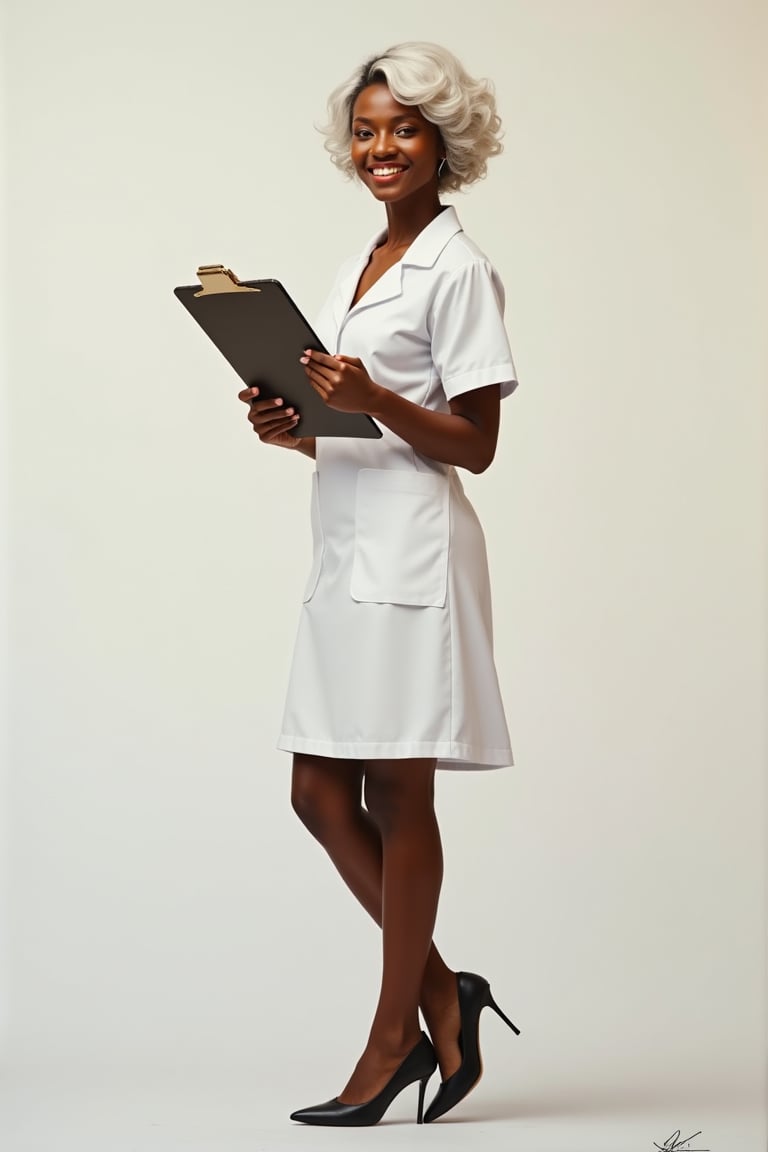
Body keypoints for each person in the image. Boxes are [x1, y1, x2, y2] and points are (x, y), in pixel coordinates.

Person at [238, 41, 521, 1127]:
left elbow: (476, 443)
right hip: (348, 545)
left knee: (399, 794)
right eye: (366, 130)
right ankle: (449, 998)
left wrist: (373, 396)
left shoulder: (459, 268)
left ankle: (395, 1031)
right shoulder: (364, 261)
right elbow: (368, 434)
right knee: (318, 792)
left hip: (416, 557)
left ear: (445, 141)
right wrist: (301, 429)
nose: (381, 148)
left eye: (403, 128)